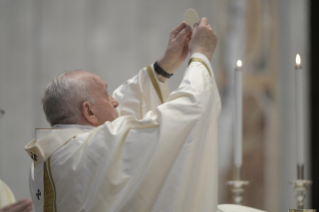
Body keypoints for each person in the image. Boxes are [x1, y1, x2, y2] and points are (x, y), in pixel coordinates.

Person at [25, 18, 220, 212]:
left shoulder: (50, 155)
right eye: (106, 94)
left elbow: (116, 120)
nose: (115, 101)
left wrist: (164, 66)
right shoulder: (97, 148)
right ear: (89, 111)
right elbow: (189, 109)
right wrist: (200, 56)